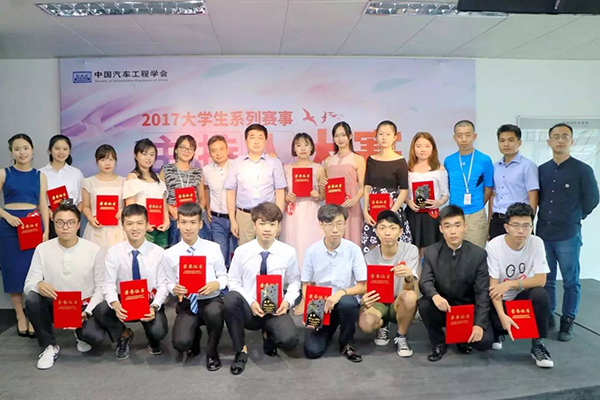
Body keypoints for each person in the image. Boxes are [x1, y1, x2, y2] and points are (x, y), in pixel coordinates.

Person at [23, 203, 106, 369]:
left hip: (83, 306)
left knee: (94, 338)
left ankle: (80, 334)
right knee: (32, 298)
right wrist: (39, 284)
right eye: (60, 222)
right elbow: (28, 284)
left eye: (70, 222)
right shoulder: (42, 249)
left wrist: (87, 311)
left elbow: (101, 288)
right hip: (55, 304)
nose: (65, 227)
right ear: (54, 223)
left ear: (78, 224)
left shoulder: (94, 250)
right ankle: (50, 346)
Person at [223, 202, 300, 375]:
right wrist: (251, 302)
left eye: (272, 224)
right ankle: (240, 350)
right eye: (262, 223)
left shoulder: (288, 252)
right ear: (254, 226)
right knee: (230, 299)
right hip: (249, 309)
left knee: (290, 341)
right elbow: (233, 281)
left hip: (276, 309)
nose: (267, 229)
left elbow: (295, 282)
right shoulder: (242, 251)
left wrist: (287, 302)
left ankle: (269, 334)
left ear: (278, 227)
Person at [538, 123, 599, 341]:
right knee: (547, 280)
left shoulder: (583, 170)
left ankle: (568, 320)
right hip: (544, 233)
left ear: (571, 141)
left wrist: (577, 216)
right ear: (549, 142)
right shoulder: (542, 170)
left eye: (565, 136)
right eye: (556, 137)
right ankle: (549, 315)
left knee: (571, 281)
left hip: (568, 234)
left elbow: (593, 199)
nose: (560, 140)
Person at [418, 205, 493, 362]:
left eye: (457, 225)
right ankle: (438, 342)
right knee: (424, 303)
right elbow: (425, 281)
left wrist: (479, 324)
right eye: (447, 226)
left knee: (484, 342)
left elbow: (482, 292)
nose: (453, 231)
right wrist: (435, 296)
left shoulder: (478, 254)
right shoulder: (431, 252)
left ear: (465, 227)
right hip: (443, 307)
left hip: (466, 309)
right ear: (441, 229)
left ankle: (461, 337)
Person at [95, 204, 169, 360]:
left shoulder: (159, 253)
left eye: (139, 223)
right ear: (123, 226)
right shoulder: (113, 253)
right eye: (129, 223)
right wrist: (115, 304)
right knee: (100, 310)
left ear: (147, 224)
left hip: (149, 301)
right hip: (123, 301)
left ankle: (153, 338)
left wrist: (154, 306)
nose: (134, 228)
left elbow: (163, 285)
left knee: (159, 331)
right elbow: (108, 284)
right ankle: (124, 334)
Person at [486, 202, 553, 368]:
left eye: (526, 226)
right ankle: (498, 331)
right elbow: (493, 287)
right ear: (506, 227)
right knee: (485, 341)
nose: (521, 231)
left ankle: (538, 344)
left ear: (532, 227)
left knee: (540, 294)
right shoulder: (494, 245)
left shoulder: (536, 242)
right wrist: (502, 316)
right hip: (498, 300)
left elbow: (541, 280)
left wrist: (510, 284)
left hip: (518, 296)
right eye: (516, 225)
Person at [164, 202, 227, 371]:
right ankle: (194, 335)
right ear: (178, 224)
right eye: (184, 222)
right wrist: (174, 288)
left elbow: (224, 276)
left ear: (200, 224)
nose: (188, 227)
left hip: (210, 300)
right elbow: (168, 282)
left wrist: (216, 284)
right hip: (187, 303)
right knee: (180, 343)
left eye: (193, 222)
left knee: (215, 313)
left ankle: (212, 351)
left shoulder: (213, 248)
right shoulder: (170, 254)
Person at [301, 204, 367, 362]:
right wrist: (310, 310)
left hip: (344, 301)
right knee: (312, 351)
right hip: (321, 305)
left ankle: (346, 342)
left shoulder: (353, 250)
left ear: (345, 224)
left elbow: (362, 286)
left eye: (339, 224)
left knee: (348, 303)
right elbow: (306, 284)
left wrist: (340, 293)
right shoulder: (312, 251)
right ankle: (328, 329)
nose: (335, 230)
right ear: (321, 225)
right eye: (329, 224)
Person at [0, 133, 49, 338]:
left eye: (25, 148)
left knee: (32, 272)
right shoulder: (4, 173)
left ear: (32, 150)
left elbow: (43, 205)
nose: (22, 152)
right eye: (17, 149)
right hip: (9, 227)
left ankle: (32, 315)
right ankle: (20, 315)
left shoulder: (40, 175)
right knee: (13, 272)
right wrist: (6, 216)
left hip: (32, 226)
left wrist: (46, 231)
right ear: (12, 152)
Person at [357, 210, 419, 358]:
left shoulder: (411, 251)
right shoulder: (368, 257)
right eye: (382, 228)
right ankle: (383, 324)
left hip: (399, 300)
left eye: (392, 228)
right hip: (379, 301)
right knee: (365, 324)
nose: (387, 233)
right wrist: (364, 300)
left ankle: (401, 336)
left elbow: (410, 289)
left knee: (410, 297)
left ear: (400, 231)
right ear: (376, 231)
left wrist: (408, 277)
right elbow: (365, 287)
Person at [224, 124, 287, 245]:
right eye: (252, 137)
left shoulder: (275, 163)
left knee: (268, 250)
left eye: (260, 137)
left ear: (265, 141)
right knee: (246, 252)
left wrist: (278, 220)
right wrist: (233, 220)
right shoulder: (236, 163)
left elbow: (280, 193)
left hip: (268, 216)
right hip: (244, 216)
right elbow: (231, 192)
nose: (256, 141)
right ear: (246, 141)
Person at [361, 121, 412, 254]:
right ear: (376, 136)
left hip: (393, 209)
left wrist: (391, 212)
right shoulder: (371, 160)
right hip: (373, 212)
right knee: (372, 250)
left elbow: (403, 191)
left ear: (395, 137)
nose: (384, 137)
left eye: (388, 134)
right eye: (381, 134)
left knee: (395, 250)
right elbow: (367, 187)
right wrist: (366, 211)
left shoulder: (400, 161)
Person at [444, 120, 494, 248]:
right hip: (454, 214)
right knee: (453, 253)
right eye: (459, 135)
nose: (464, 139)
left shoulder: (484, 160)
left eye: (468, 135)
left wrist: (477, 204)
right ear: (454, 138)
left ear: (474, 136)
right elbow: (448, 187)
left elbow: (489, 188)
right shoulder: (449, 161)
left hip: (476, 214)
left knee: (476, 253)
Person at [280, 132, 325, 271]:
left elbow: (323, 196)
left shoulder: (319, 168)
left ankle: (311, 275)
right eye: (298, 145)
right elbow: (281, 193)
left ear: (311, 147)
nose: (303, 148)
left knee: (311, 241)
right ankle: (293, 275)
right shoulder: (286, 169)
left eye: (306, 144)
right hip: (293, 211)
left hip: (311, 209)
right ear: (294, 148)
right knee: (293, 241)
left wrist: (317, 195)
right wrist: (287, 198)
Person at [489, 125, 539, 240]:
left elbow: (533, 196)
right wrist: (489, 222)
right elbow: (493, 195)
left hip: (519, 222)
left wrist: (529, 222)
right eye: (502, 141)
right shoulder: (496, 166)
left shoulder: (528, 166)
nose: (506, 144)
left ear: (519, 142)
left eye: (511, 140)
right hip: (497, 220)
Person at [159, 134, 208, 247]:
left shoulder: (197, 172)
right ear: (176, 150)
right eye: (183, 147)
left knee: (198, 252)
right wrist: (169, 208)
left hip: (193, 221)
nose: (187, 151)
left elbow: (202, 198)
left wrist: (197, 214)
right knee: (175, 252)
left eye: (190, 148)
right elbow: (160, 195)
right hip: (174, 219)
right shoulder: (166, 170)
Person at [322, 121, 365, 246]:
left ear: (350, 136)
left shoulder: (358, 159)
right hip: (333, 209)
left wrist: (354, 200)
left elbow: (364, 186)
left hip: (352, 207)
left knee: (353, 241)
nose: (340, 139)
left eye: (343, 135)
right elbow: (325, 191)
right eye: (336, 136)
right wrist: (323, 184)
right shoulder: (328, 161)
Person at [405, 132, 448, 256]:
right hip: (413, 213)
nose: (422, 150)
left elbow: (445, 194)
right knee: (412, 250)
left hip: (431, 215)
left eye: (427, 146)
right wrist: (408, 202)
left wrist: (438, 202)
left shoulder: (439, 169)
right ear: (413, 148)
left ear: (433, 148)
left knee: (430, 251)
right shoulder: (407, 169)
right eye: (418, 146)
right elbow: (402, 192)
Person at [123, 139, 170, 248]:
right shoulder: (132, 177)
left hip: (161, 228)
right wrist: (143, 225)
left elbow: (163, 201)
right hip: (143, 229)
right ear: (136, 155)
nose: (148, 158)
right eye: (144, 154)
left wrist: (167, 221)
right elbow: (131, 206)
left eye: (152, 154)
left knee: (161, 256)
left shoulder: (157, 178)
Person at [81, 144, 125, 251]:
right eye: (103, 159)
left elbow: (129, 205)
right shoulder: (88, 182)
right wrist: (90, 218)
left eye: (111, 159)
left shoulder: (124, 181)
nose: (107, 163)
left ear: (115, 161)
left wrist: (124, 210)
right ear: (97, 161)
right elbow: (85, 206)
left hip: (118, 228)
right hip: (96, 228)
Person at [40, 134, 84, 239]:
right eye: (57, 148)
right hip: (49, 219)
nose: (61, 152)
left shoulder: (76, 173)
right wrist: (48, 213)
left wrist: (74, 216)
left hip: (71, 218)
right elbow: (37, 200)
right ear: (50, 150)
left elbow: (82, 200)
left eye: (65, 149)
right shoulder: (41, 173)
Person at [204, 135, 237, 269]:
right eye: (214, 150)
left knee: (239, 256)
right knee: (220, 258)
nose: (218, 153)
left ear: (227, 149)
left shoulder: (237, 166)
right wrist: (207, 207)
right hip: (217, 219)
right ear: (209, 152)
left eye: (221, 149)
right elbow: (206, 189)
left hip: (237, 218)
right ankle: (222, 282)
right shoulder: (206, 170)